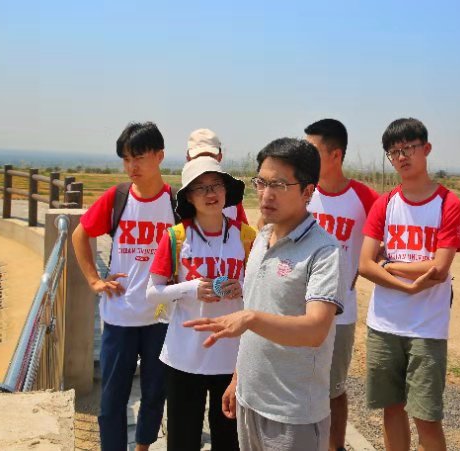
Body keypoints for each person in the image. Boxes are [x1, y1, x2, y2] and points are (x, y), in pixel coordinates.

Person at [185, 138, 346, 451]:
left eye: (279, 184)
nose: (266, 194)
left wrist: (249, 318)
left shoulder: (325, 252)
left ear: (308, 192)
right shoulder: (261, 238)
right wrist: (238, 378)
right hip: (249, 402)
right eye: (261, 183)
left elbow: (315, 329)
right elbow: (256, 309)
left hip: (293, 413)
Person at [358, 118, 460, 451]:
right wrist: (406, 281)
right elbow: (364, 264)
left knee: (427, 416)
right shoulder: (385, 203)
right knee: (391, 409)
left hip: (426, 328)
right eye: (394, 152)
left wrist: (388, 265)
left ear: (426, 149)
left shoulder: (447, 203)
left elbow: (439, 267)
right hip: (384, 324)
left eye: (408, 148)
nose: (401, 156)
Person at [71, 122, 172, 451]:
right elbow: (80, 234)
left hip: (161, 318)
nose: (132, 166)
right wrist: (94, 280)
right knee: (112, 398)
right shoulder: (117, 198)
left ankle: (143, 447)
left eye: (139, 157)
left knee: (155, 393)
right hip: (119, 317)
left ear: (159, 156)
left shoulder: (176, 203)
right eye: (126, 159)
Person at [145, 156, 254, 450]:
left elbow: (262, 290)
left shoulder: (247, 237)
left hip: (231, 358)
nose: (210, 193)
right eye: (200, 188)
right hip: (184, 356)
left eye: (216, 185)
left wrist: (242, 288)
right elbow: (152, 292)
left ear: (226, 190)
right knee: (182, 440)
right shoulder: (176, 237)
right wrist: (192, 288)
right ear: (189, 198)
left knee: (229, 442)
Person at [304, 118, 379, 451]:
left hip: (340, 313)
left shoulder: (365, 198)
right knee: (299, 383)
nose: (305, 157)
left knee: (333, 388)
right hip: (297, 309)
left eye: (313, 151)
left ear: (335, 155)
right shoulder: (302, 191)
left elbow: (381, 248)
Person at [185, 128, 249, 224]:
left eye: (210, 156)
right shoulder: (177, 202)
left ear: (220, 157)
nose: (205, 162)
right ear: (188, 159)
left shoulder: (233, 202)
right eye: (199, 157)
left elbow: (243, 231)